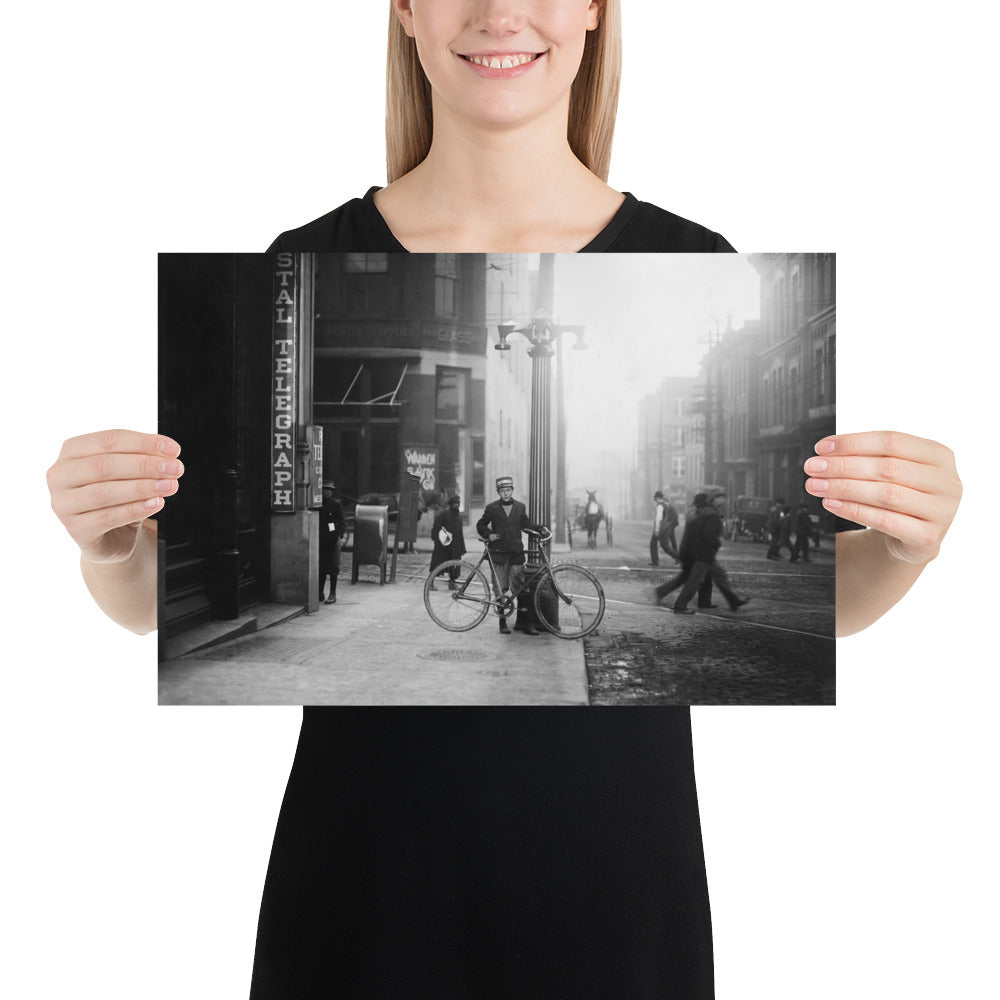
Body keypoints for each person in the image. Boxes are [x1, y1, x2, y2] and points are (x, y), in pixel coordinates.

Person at [43, 3, 964, 997]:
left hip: (613, 874)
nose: (498, 10)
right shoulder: (298, 252)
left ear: (596, 10)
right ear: (402, 10)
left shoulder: (691, 247)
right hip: (366, 871)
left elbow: (839, 609)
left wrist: (907, 547)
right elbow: (147, 613)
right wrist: (108, 545)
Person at [476, 476, 541, 636]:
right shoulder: (492, 508)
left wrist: (539, 528)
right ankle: (502, 622)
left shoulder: (520, 507)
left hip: (515, 554)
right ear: (499, 492)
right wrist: (488, 534)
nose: (505, 493)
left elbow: (526, 525)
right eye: (502, 491)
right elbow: (481, 524)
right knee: (500, 590)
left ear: (512, 490)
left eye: (508, 490)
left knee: (521, 589)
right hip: (498, 554)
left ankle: (523, 623)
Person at [672, 491, 749, 614]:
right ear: (715, 499)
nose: (723, 500)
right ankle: (680, 605)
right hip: (704, 553)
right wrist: (717, 543)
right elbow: (708, 534)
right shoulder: (711, 513)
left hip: (706, 552)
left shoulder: (708, 511)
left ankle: (733, 601)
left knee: (720, 575)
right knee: (694, 581)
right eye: (721, 497)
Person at [654, 495, 715, 608]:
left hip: (688, 551)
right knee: (689, 578)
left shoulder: (693, 514)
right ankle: (671, 598)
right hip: (690, 553)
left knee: (688, 577)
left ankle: (704, 601)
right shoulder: (696, 516)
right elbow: (697, 536)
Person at [428, 493, 466, 587]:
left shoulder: (459, 518)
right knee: (437, 564)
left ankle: (452, 582)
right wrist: (438, 539)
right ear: (451, 504)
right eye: (455, 503)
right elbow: (436, 527)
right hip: (442, 545)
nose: (457, 505)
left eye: (458, 503)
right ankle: (430, 583)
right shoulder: (443, 514)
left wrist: (462, 548)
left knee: (454, 564)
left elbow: (460, 534)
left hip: (454, 546)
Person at [318, 481, 346, 605]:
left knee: (333, 567)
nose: (328, 492)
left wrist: (338, 535)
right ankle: (319, 592)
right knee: (321, 567)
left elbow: (342, 522)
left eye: (330, 490)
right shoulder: (317, 505)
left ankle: (332, 593)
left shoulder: (336, 505)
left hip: (333, 541)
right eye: (325, 489)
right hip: (320, 540)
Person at [650, 489, 679, 565]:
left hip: (660, 528)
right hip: (665, 527)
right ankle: (678, 557)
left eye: (655, 498)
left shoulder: (659, 506)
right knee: (664, 546)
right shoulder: (665, 505)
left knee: (655, 544)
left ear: (657, 498)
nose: (655, 500)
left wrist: (656, 530)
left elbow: (658, 519)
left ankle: (655, 561)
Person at [788, 499, 813, 564]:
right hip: (803, 532)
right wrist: (809, 528)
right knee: (800, 545)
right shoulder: (804, 513)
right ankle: (795, 558)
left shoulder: (799, 512)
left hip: (799, 531)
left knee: (802, 545)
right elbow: (805, 523)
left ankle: (799, 557)